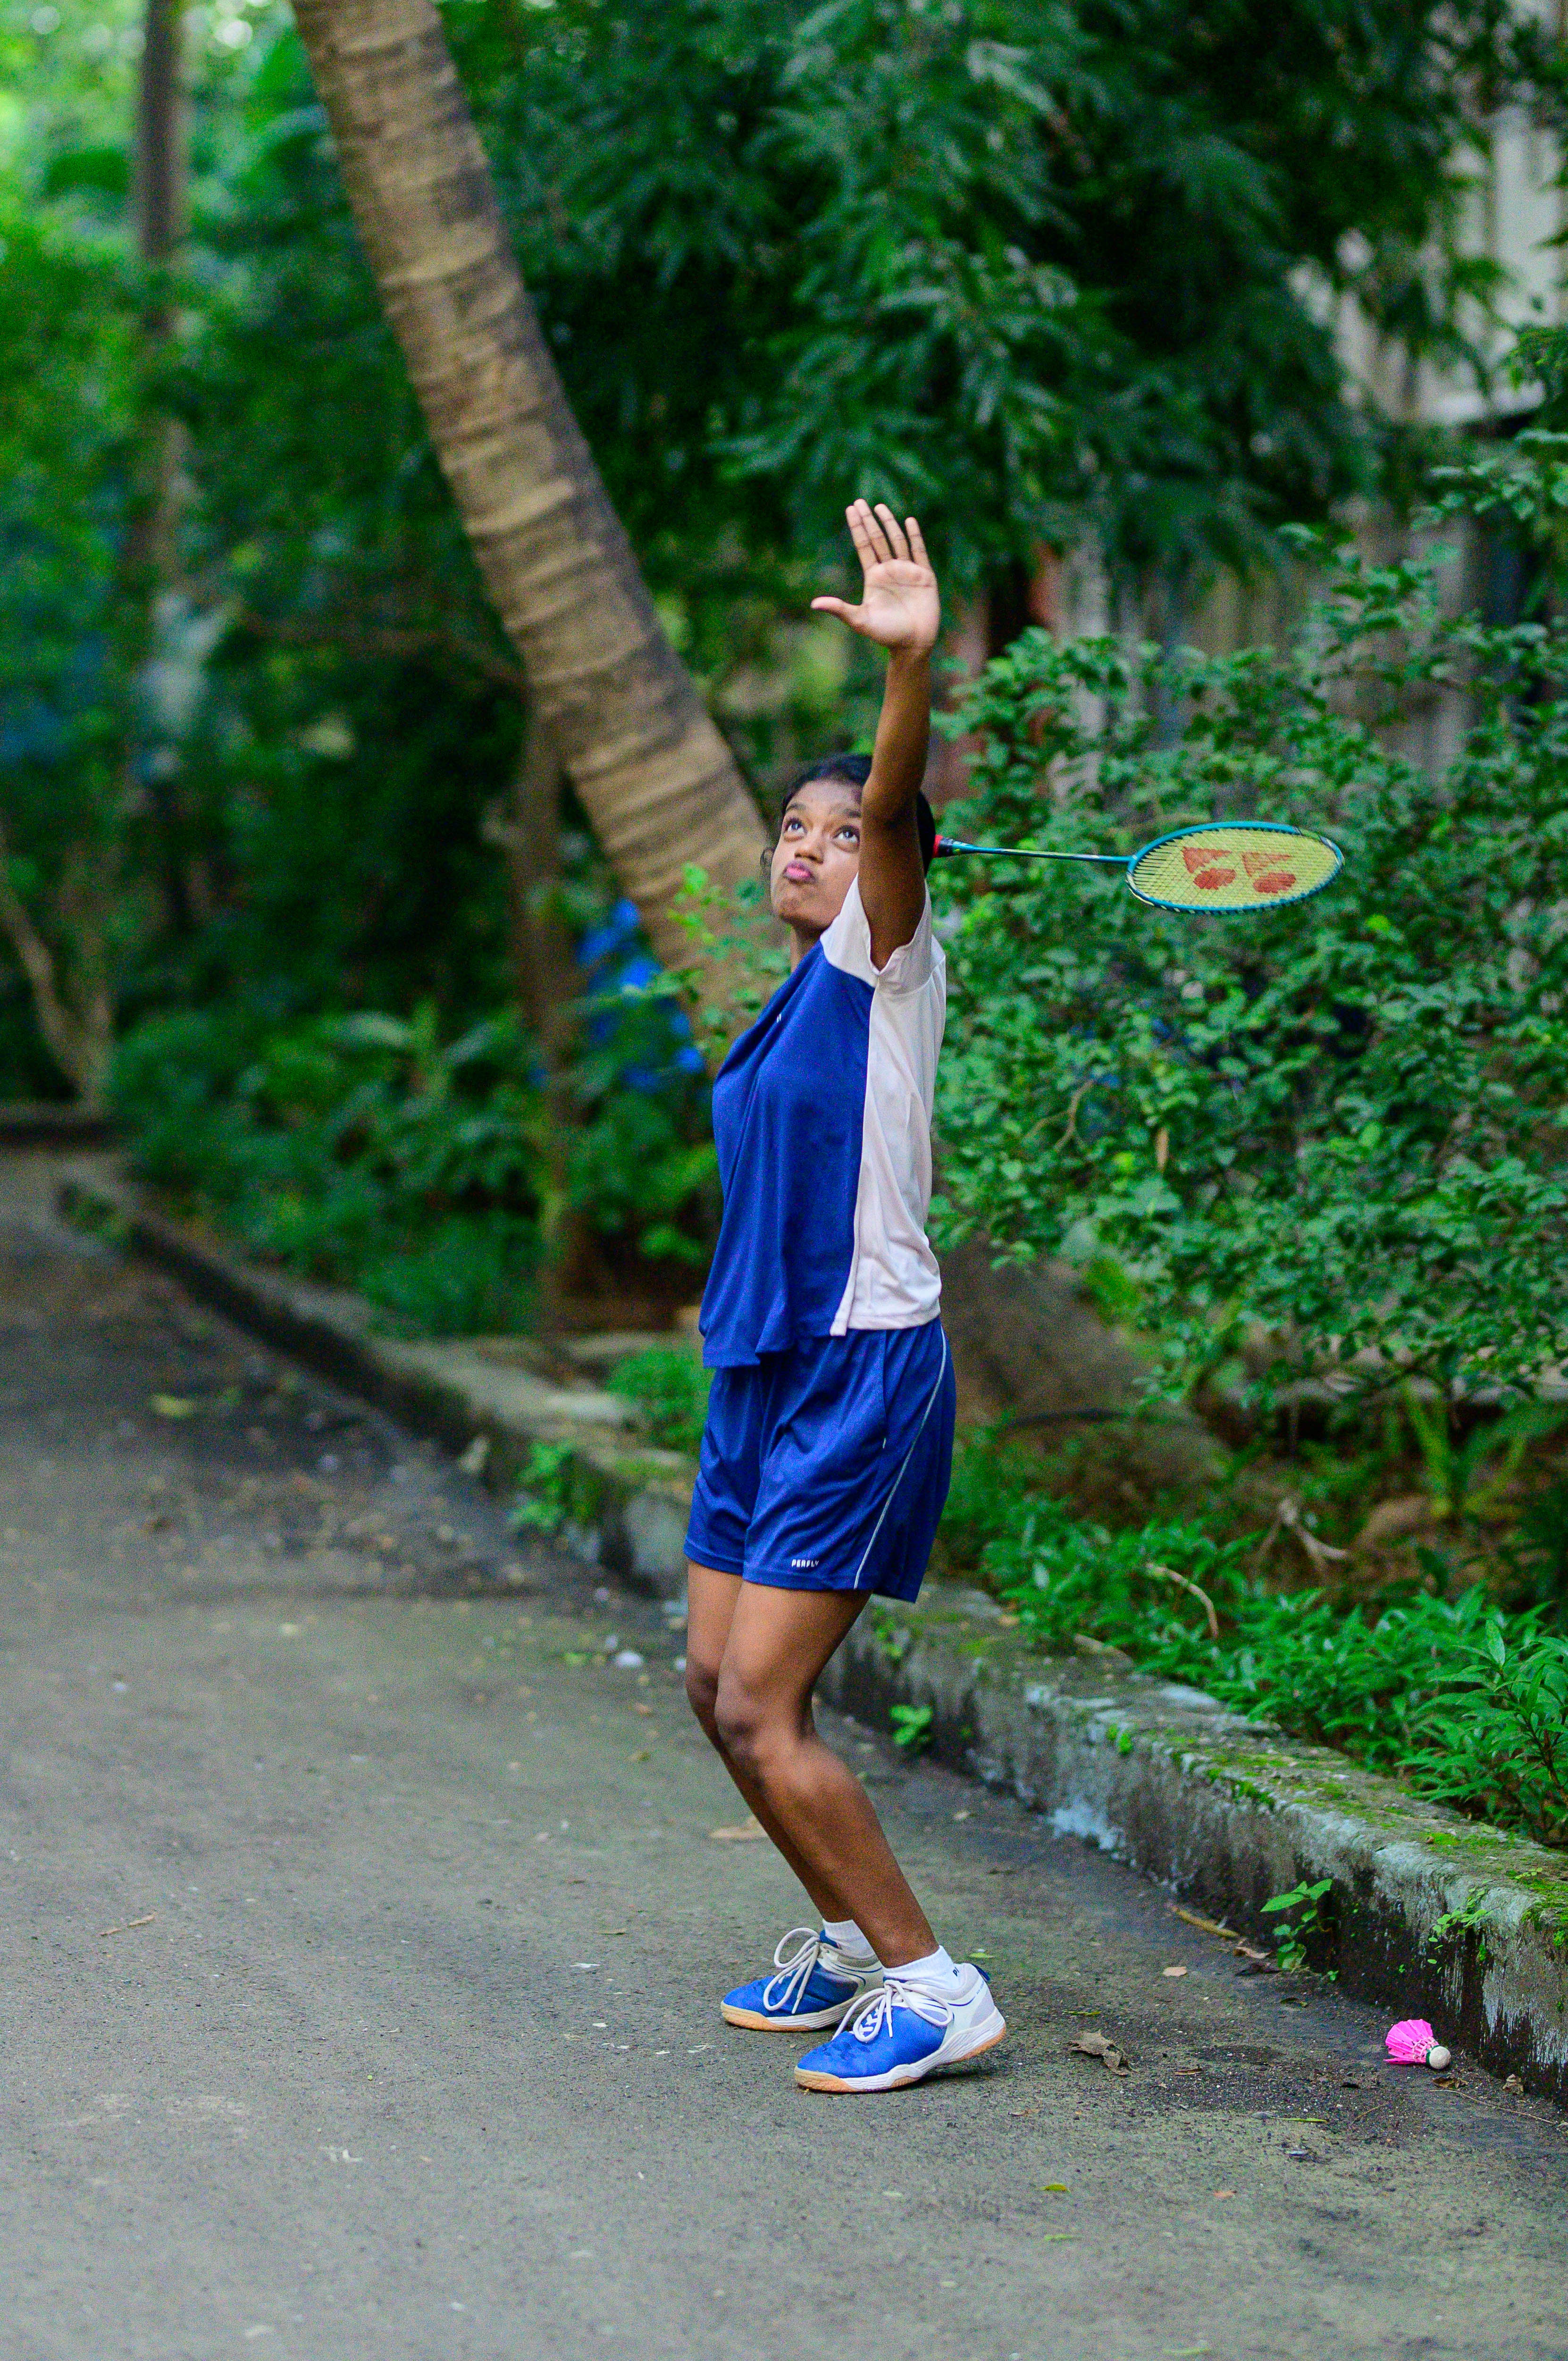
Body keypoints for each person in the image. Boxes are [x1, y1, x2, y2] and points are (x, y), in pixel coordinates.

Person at [682, 498, 1004, 2095]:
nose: (803, 844)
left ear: (887, 866)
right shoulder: (788, 1002)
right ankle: (843, 1935)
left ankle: (935, 1984)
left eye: (834, 830)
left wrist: (905, 669)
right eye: (787, 827)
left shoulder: (885, 961)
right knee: (709, 1689)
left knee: (764, 1700)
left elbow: (891, 807)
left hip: (861, 1367)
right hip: (760, 1370)